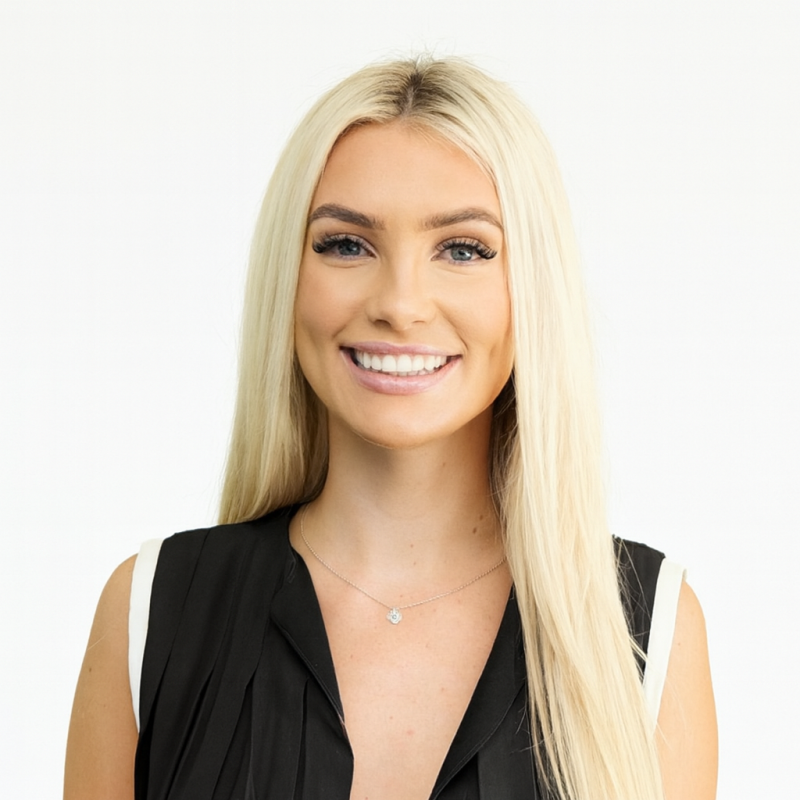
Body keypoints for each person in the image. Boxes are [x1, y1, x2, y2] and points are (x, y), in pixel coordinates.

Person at [64, 56, 717, 800]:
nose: (400, 303)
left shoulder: (645, 624)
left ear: (532, 287)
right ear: (289, 277)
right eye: (346, 244)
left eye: (464, 249)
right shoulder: (153, 612)